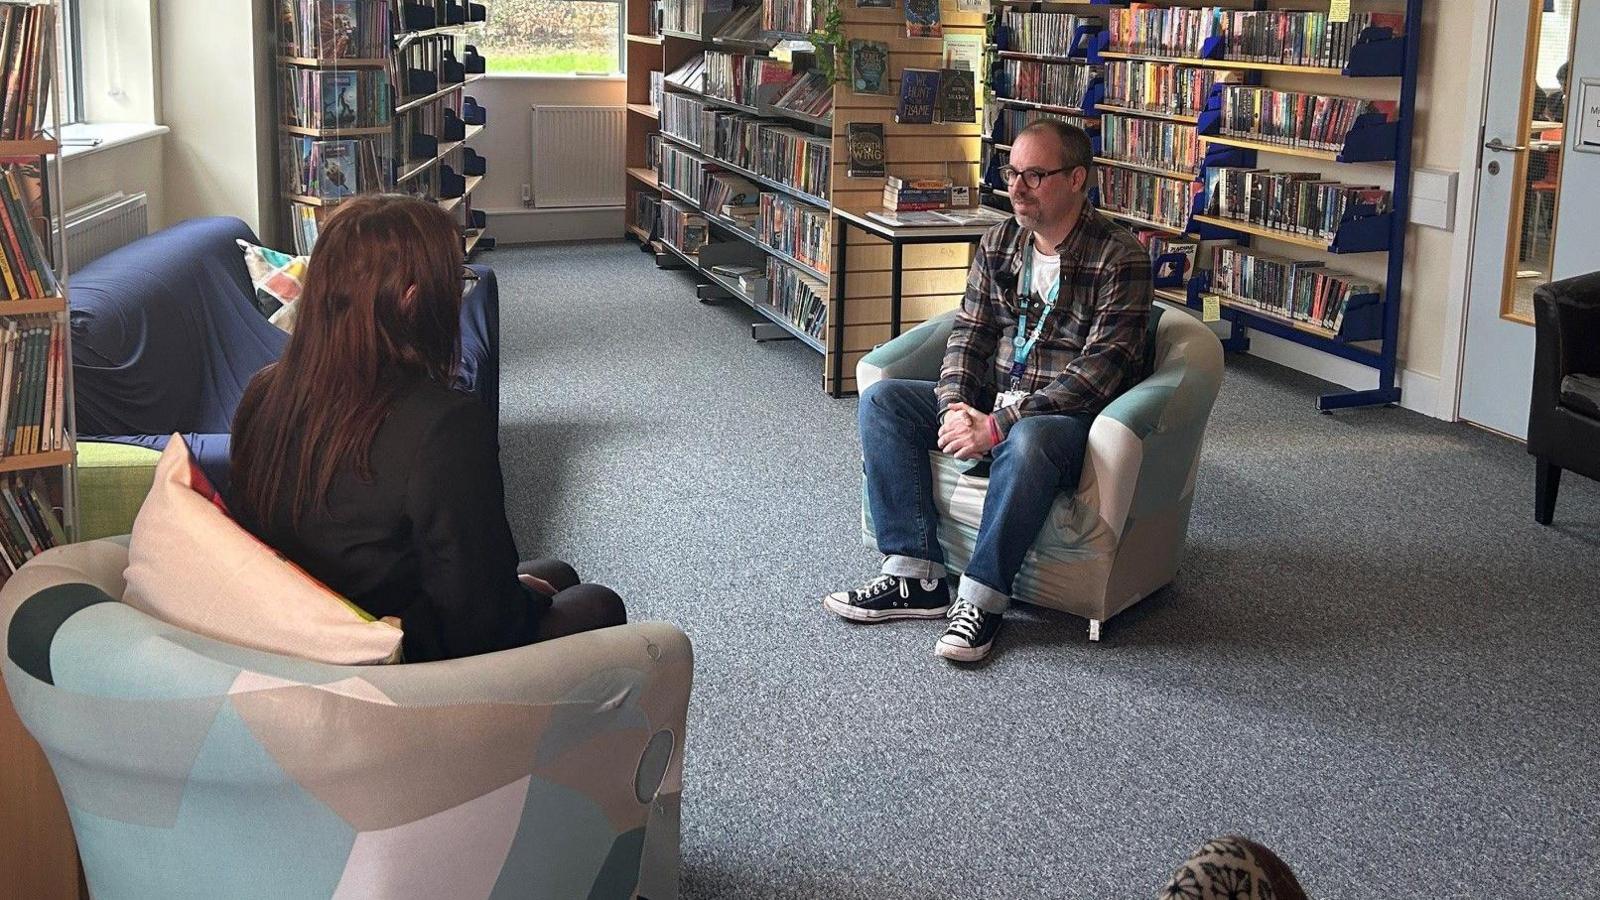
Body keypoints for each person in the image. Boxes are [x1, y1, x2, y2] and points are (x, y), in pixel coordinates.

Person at [230, 194, 625, 663]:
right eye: (455, 281)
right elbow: (482, 624)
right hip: (394, 655)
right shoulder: (443, 424)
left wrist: (519, 591)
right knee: (598, 604)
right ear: (413, 298)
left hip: (308, 627)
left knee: (556, 571)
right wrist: (526, 599)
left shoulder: (264, 390)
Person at [823, 120, 1152, 662]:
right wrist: (955, 406)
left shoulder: (1120, 258)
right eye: (1013, 172)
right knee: (885, 401)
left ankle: (981, 598)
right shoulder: (1000, 241)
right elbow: (969, 335)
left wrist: (1001, 423)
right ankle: (915, 573)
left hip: (1064, 421)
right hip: (989, 402)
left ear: (1077, 180)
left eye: (1035, 176)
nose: (1016, 188)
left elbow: (1101, 372)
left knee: (1029, 441)